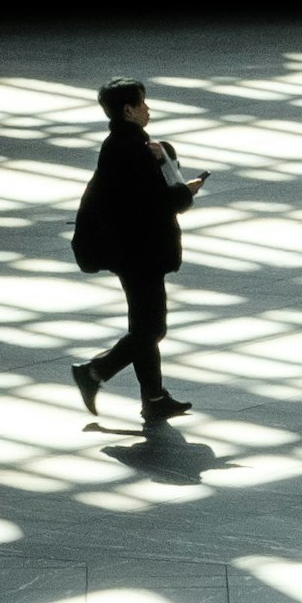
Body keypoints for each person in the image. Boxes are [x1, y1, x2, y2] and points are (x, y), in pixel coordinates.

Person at [72, 82, 206, 435]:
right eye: (142, 104)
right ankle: (93, 372)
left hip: (129, 249)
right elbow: (160, 201)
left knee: (143, 326)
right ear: (128, 111)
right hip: (140, 251)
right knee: (152, 328)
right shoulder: (133, 150)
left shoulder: (119, 145)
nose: (148, 109)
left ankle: (155, 398)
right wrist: (185, 192)